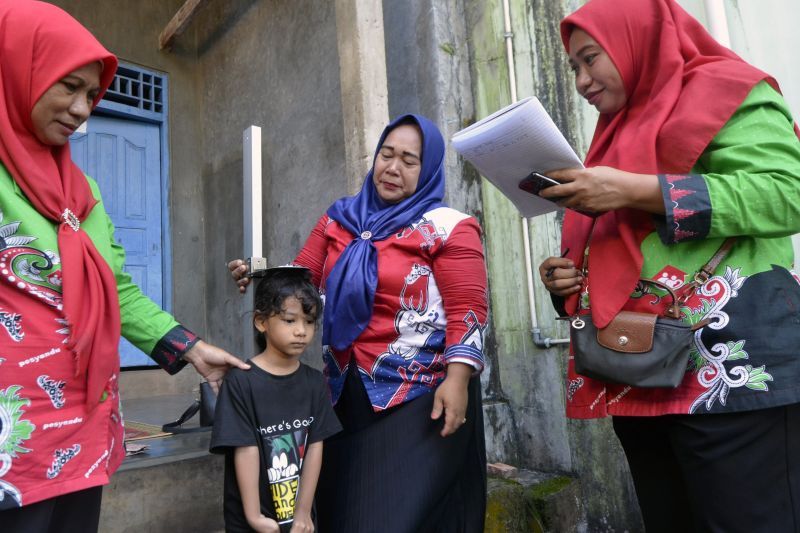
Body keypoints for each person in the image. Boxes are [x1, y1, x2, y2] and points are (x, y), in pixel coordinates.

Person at [537, 0, 800, 531]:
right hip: (638, 373)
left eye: (591, 59)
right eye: (575, 68)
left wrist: (635, 188)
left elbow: (788, 192)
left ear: (639, 41)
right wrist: (570, 277)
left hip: (732, 373)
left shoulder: (730, 91)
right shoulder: (617, 130)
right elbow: (633, 244)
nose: (583, 80)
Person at [0, 3, 249, 532]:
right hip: (12, 438)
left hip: (83, 426)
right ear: (19, 69)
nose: (82, 108)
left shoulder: (81, 192)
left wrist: (190, 347)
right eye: (67, 86)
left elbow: (115, 289)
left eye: (91, 94)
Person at [229, 114, 489, 532]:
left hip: (420, 396)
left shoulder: (449, 228)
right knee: (345, 512)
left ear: (429, 170)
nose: (392, 167)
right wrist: (260, 277)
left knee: (399, 516)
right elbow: (302, 281)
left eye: (409, 160)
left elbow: (468, 311)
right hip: (345, 394)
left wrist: (457, 380)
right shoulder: (339, 219)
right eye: (387, 154)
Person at [210, 267, 341, 533]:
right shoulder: (241, 382)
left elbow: (315, 446)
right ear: (261, 322)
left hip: (299, 523)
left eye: (309, 321)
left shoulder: (314, 382)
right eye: (290, 320)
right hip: (253, 520)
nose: (301, 331)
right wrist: (254, 515)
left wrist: (304, 512)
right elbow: (245, 448)